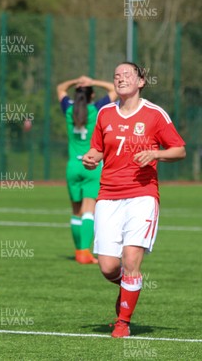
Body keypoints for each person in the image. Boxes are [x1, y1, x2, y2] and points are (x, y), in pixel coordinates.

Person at [82, 62, 185, 338]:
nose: (121, 78)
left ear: (141, 81)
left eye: (127, 74)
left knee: (130, 259)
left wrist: (156, 154)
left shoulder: (154, 114)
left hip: (142, 195)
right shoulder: (104, 113)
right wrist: (93, 158)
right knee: (108, 266)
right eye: (116, 75)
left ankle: (122, 323)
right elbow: (97, 148)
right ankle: (127, 286)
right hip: (108, 196)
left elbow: (179, 149)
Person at [56, 76, 117, 264]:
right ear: (91, 95)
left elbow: (60, 87)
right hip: (92, 164)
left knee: (76, 212)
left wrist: (75, 81)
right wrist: (92, 81)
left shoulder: (69, 110)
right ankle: (84, 253)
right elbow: (113, 90)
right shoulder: (96, 109)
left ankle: (79, 251)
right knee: (89, 210)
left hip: (72, 166)